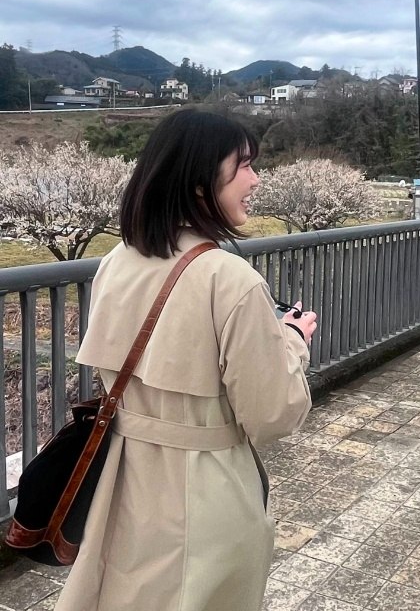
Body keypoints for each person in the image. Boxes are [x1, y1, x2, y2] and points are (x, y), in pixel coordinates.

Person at [55, 109, 317, 611]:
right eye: (244, 165)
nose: (256, 180)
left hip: (123, 480)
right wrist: (293, 340)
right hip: (206, 488)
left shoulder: (117, 260)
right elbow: (273, 414)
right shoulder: (231, 279)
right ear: (201, 182)